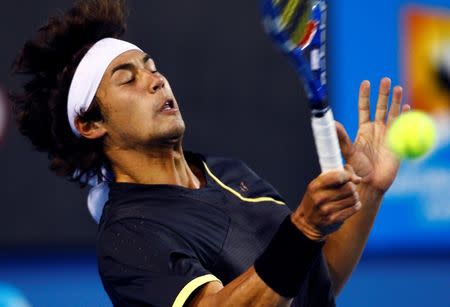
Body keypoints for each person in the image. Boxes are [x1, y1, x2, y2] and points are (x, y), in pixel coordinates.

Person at [10, 0, 409, 306]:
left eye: (152, 68)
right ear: (91, 124)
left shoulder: (228, 171)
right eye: (128, 80)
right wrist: (302, 227)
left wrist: (369, 190)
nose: (156, 81)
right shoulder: (127, 236)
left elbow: (309, 284)